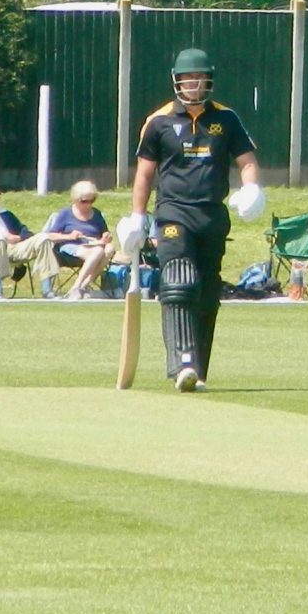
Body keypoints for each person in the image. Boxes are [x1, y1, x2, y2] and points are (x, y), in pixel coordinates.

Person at [122, 47, 264, 392]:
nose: (193, 84)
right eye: (187, 79)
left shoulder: (226, 119)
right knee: (178, 279)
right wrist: (137, 216)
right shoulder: (159, 122)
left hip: (212, 215)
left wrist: (251, 188)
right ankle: (181, 362)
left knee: (206, 291)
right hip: (173, 212)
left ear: (208, 81)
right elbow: (144, 173)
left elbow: (246, 160)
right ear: (177, 81)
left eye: (199, 78)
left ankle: (197, 369)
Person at [43, 180, 115, 299]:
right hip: (70, 249)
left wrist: (106, 236)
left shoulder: (96, 214)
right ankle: (76, 287)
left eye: (92, 201)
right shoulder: (65, 214)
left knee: (109, 248)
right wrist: (69, 236)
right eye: (84, 201)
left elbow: (104, 233)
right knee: (98, 251)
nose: (88, 205)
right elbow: (50, 236)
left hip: (93, 246)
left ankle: (83, 286)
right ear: (75, 199)